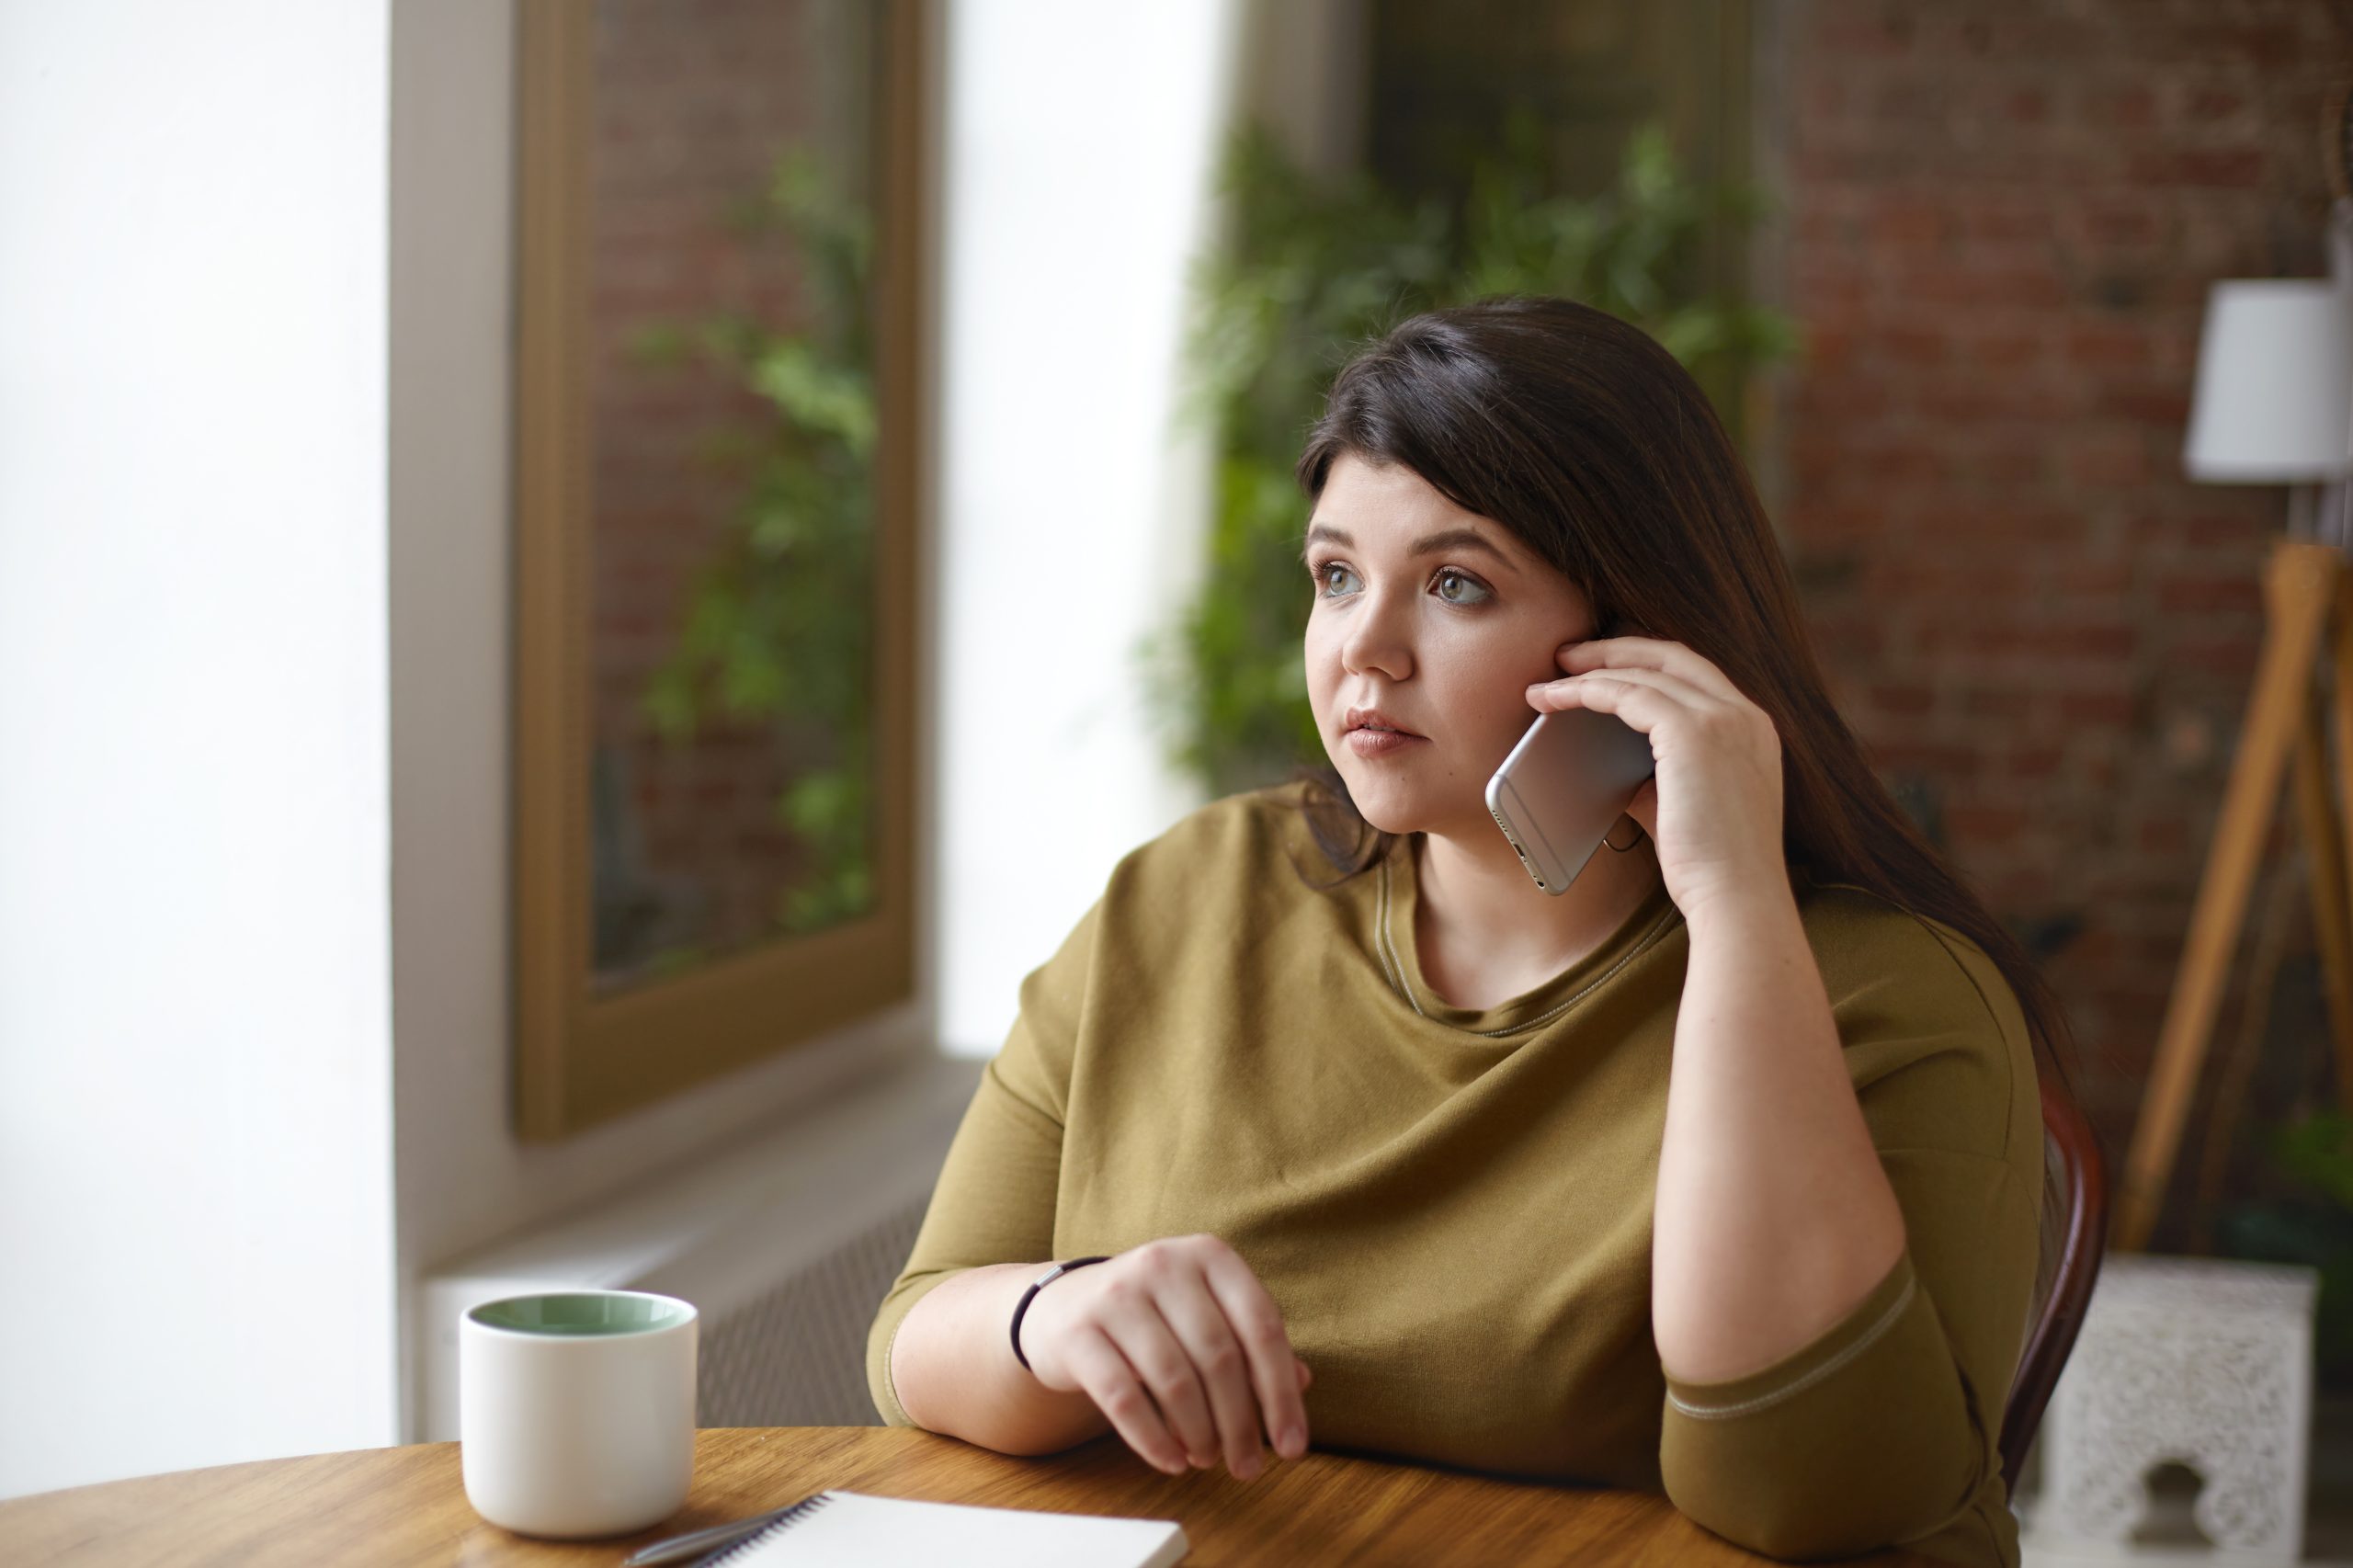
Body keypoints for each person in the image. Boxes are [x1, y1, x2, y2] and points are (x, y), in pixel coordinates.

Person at [865, 295, 2076, 1568]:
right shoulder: (1185, 897)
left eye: (1454, 583)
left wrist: (1732, 904)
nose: (1363, 652)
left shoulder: (1889, 995)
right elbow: (912, 1342)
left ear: (1642, 640)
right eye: (1336, 576)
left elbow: (1813, 1494)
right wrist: (1055, 1320)